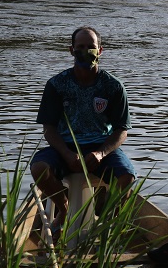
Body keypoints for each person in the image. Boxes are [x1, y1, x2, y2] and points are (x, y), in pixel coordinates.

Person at [30, 26, 136, 239]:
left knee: (127, 177)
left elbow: (121, 130)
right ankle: (64, 206)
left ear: (100, 50)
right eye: (80, 47)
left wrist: (101, 153)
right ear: (71, 50)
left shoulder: (113, 86)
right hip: (65, 146)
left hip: (100, 146)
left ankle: (107, 217)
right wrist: (68, 154)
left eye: (91, 47)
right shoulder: (57, 85)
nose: (86, 51)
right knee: (39, 167)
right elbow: (49, 130)